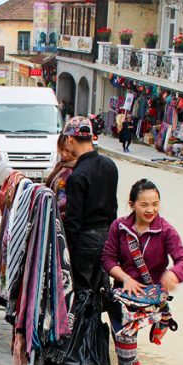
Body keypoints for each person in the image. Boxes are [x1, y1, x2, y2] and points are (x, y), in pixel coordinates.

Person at [101, 179, 183, 365]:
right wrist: (125, 279)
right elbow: (108, 258)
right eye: (144, 204)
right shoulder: (119, 227)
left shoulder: (166, 231)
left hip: (152, 297)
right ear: (131, 204)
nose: (150, 209)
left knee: (126, 334)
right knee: (125, 342)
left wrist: (174, 274)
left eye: (155, 203)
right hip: (123, 294)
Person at [62, 116, 118, 292]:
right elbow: (112, 208)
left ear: (70, 139)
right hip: (106, 237)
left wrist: (69, 250)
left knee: (82, 292)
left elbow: (74, 219)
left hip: (85, 240)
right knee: (99, 290)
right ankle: (94, 320)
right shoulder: (109, 165)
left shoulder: (78, 175)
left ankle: (84, 320)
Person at [44, 134, 77, 216]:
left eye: (67, 151)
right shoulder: (61, 165)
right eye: (61, 149)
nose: (64, 154)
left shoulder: (78, 168)